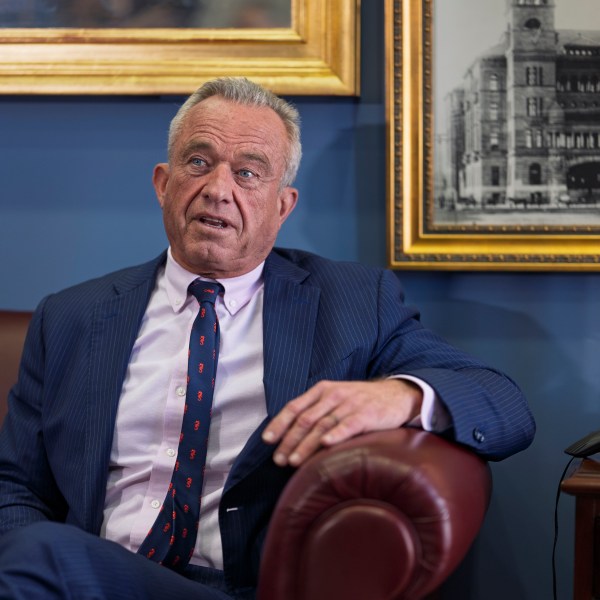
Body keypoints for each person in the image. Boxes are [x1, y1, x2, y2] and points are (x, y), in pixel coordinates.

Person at [0, 77, 535, 600]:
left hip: (239, 584)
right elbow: (16, 485)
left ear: (283, 206)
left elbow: (504, 405)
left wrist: (398, 394)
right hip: (81, 574)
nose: (217, 189)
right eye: (198, 162)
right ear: (164, 183)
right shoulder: (71, 315)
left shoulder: (350, 302)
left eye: (249, 173)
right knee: (40, 552)